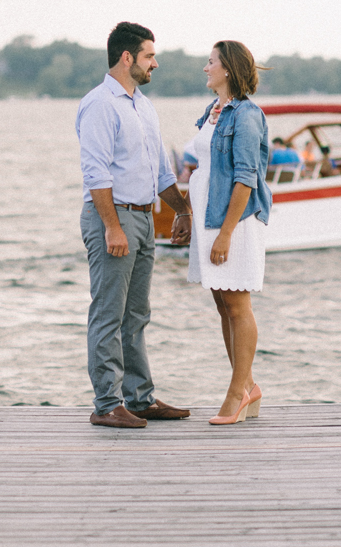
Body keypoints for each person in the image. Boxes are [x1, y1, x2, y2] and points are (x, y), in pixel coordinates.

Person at [77, 21, 193, 428]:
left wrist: (182, 210)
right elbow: (96, 175)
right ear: (127, 58)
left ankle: (140, 399)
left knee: (137, 314)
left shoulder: (143, 105)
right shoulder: (99, 105)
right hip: (115, 217)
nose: (154, 63)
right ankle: (107, 404)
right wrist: (112, 227)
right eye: (149, 56)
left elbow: (162, 171)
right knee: (108, 314)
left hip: (144, 219)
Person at [187, 40, 272, 425]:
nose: (205, 68)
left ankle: (238, 393)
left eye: (210, 63)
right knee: (223, 304)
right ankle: (248, 384)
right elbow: (200, 167)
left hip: (234, 223)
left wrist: (225, 234)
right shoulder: (214, 112)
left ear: (227, 69)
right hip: (210, 221)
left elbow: (245, 180)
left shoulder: (247, 115)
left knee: (238, 306)